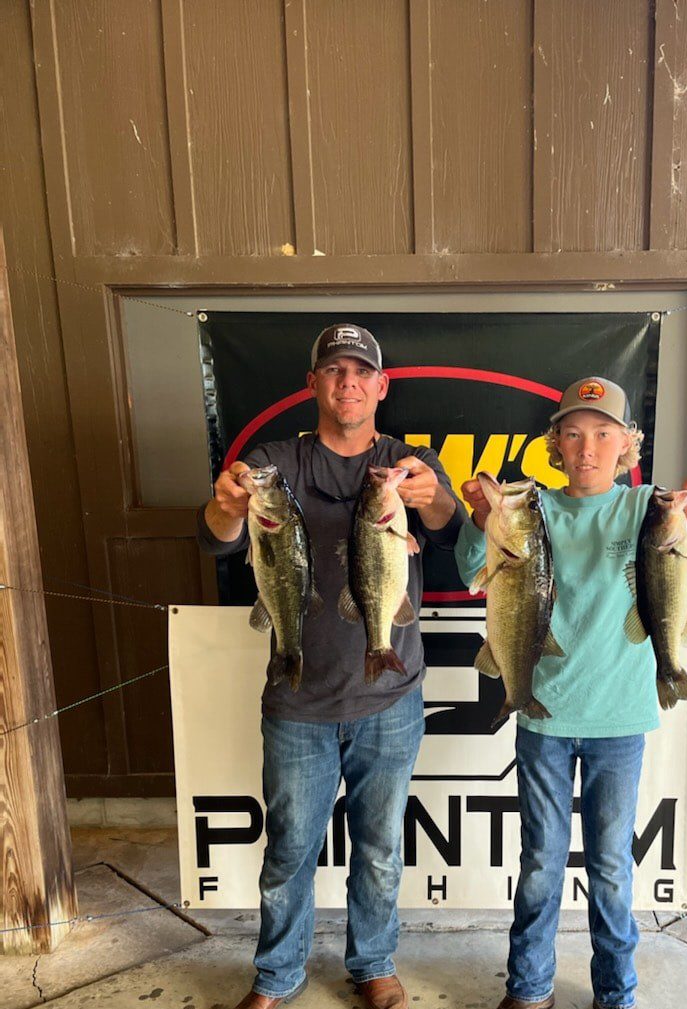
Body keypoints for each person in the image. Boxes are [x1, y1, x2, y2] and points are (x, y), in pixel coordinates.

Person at [196, 323, 464, 1009]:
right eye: (335, 370)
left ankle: (373, 963)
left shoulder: (408, 462)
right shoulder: (273, 462)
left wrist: (432, 496)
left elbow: (450, 529)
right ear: (313, 383)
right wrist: (227, 507)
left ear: (381, 386)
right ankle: (276, 974)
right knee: (289, 849)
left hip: (390, 697)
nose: (349, 382)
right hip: (298, 700)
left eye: (361, 371)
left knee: (379, 848)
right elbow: (216, 539)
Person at [454, 376, 687, 1009]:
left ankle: (616, 992)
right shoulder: (532, 509)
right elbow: (470, 565)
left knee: (611, 866)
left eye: (604, 434)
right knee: (541, 862)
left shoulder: (646, 509)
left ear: (626, 445)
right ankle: (529, 988)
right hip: (543, 719)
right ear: (555, 444)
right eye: (575, 434)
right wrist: (480, 520)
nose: (588, 447)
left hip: (619, 720)